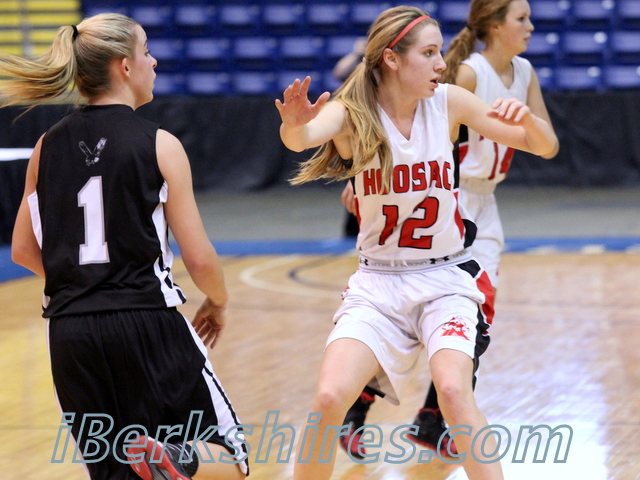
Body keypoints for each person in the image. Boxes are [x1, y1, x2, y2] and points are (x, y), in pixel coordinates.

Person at [275, 5, 556, 480]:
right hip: (378, 284)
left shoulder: (449, 102)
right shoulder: (352, 113)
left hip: (444, 278)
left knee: (454, 392)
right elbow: (301, 137)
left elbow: (543, 146)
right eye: (428, 53)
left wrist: (527, 120)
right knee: (328, 397)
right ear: (392, 59)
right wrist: (294, 124)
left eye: (440, 52)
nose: (441, 63)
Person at [8, 13, 248, 480]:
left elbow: (22, 249)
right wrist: (218, 301)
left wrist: (82, 284)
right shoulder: (160, 144)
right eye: (146, 51)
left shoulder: (45, 145)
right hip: (145, 320)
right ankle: (178, 457)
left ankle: (161, 460)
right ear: (123, 65)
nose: (153, 62)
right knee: (231, 458)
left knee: (116, 473)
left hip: (71, 333)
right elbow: (199, 258)